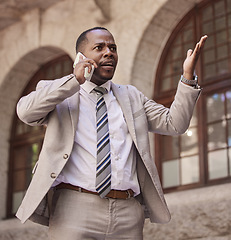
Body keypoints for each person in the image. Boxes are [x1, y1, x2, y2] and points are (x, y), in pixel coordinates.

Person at [16, 27, 207, 240]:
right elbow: (25, 113)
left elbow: (175, 124)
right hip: (74, 209)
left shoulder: (131, 96)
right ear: (81, 57)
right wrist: (73, 80)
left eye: (113, 48)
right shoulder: (60, 92)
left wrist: (188, 77)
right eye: (99, 47)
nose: (109, 52)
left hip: (127, 212)